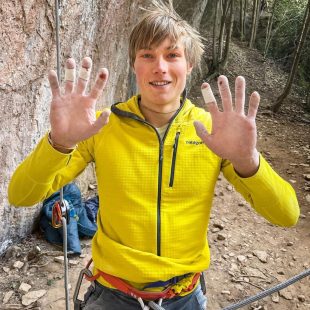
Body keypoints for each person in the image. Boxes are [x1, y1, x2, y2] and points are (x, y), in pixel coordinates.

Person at [8, 1, 299, 309]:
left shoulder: (212, 133)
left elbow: (287, 214)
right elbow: (21, 195)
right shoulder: (102, 126)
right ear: (134, 64)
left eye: (172, 55)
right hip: (112, 295)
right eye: (148, 55)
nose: (160, 66)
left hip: (185, 296)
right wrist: (59, 143)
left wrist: (247, 161)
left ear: (189, 65)